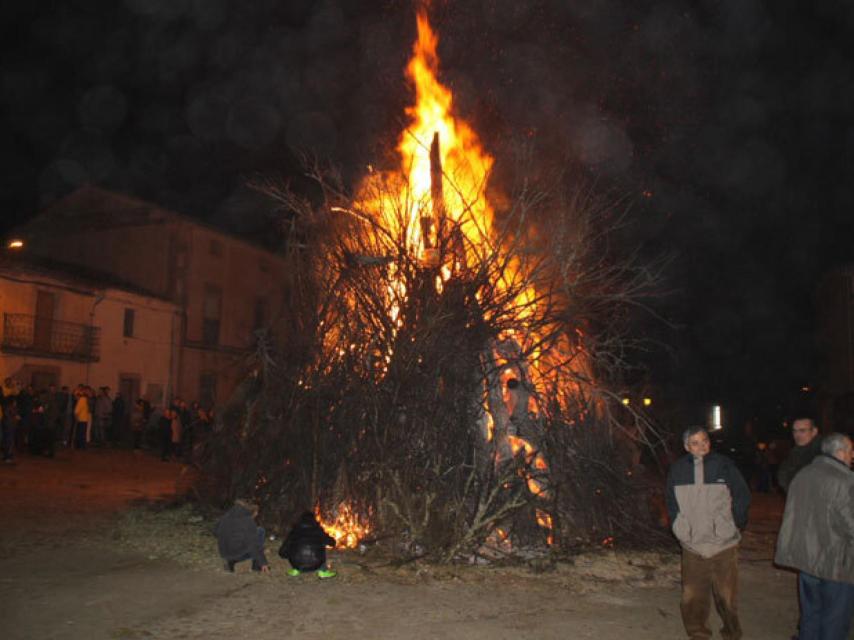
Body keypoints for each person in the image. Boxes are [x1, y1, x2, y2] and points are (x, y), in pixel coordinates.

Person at [666, 427, 751, 640]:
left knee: (726, 596)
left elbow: (742, 494)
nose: (701, 446)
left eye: (704, 440)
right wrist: (679, 527)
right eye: (695, 442)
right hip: (692, 544)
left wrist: (735, 524)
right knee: (692, 596)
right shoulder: (677, 470)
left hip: (724, 543)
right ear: (686, 447)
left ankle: (731, 633)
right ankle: (698, 634)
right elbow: (671, 502)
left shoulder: (724, 465)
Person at [774, 433, 854, 640]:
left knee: (810, 616)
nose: (852, 455)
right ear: (841, 452)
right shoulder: (845, 481)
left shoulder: (804, 474)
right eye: (851, 450)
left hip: (807, 561)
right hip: (837, 565)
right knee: (834, 621)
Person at [214, 498, 270, 573]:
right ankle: (256, 566)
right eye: (257, 511)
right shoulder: (248, 521)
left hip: (224, 552)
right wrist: (263, 563)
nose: (257, 514)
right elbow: (253, 545)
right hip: (235, 554)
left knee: (252, 538)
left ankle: (230, 561)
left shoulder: (227, 515)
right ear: (252, 511)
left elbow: (215, 531)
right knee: (260, 531)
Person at [278, 511, 337, 579]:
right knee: (322, 543)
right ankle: (322, 571)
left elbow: (283, 550)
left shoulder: (294, 531)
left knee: (293, 545)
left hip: (296, 563)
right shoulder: (318, 530)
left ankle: (296, 570)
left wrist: (288, 555)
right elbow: (332, 543)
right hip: (316, 563)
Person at [777, 417, 822, 492]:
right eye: (794, 431)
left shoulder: (822, 453)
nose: (797, 435)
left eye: (802, 431)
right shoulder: (794, 452)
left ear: (814, 431)